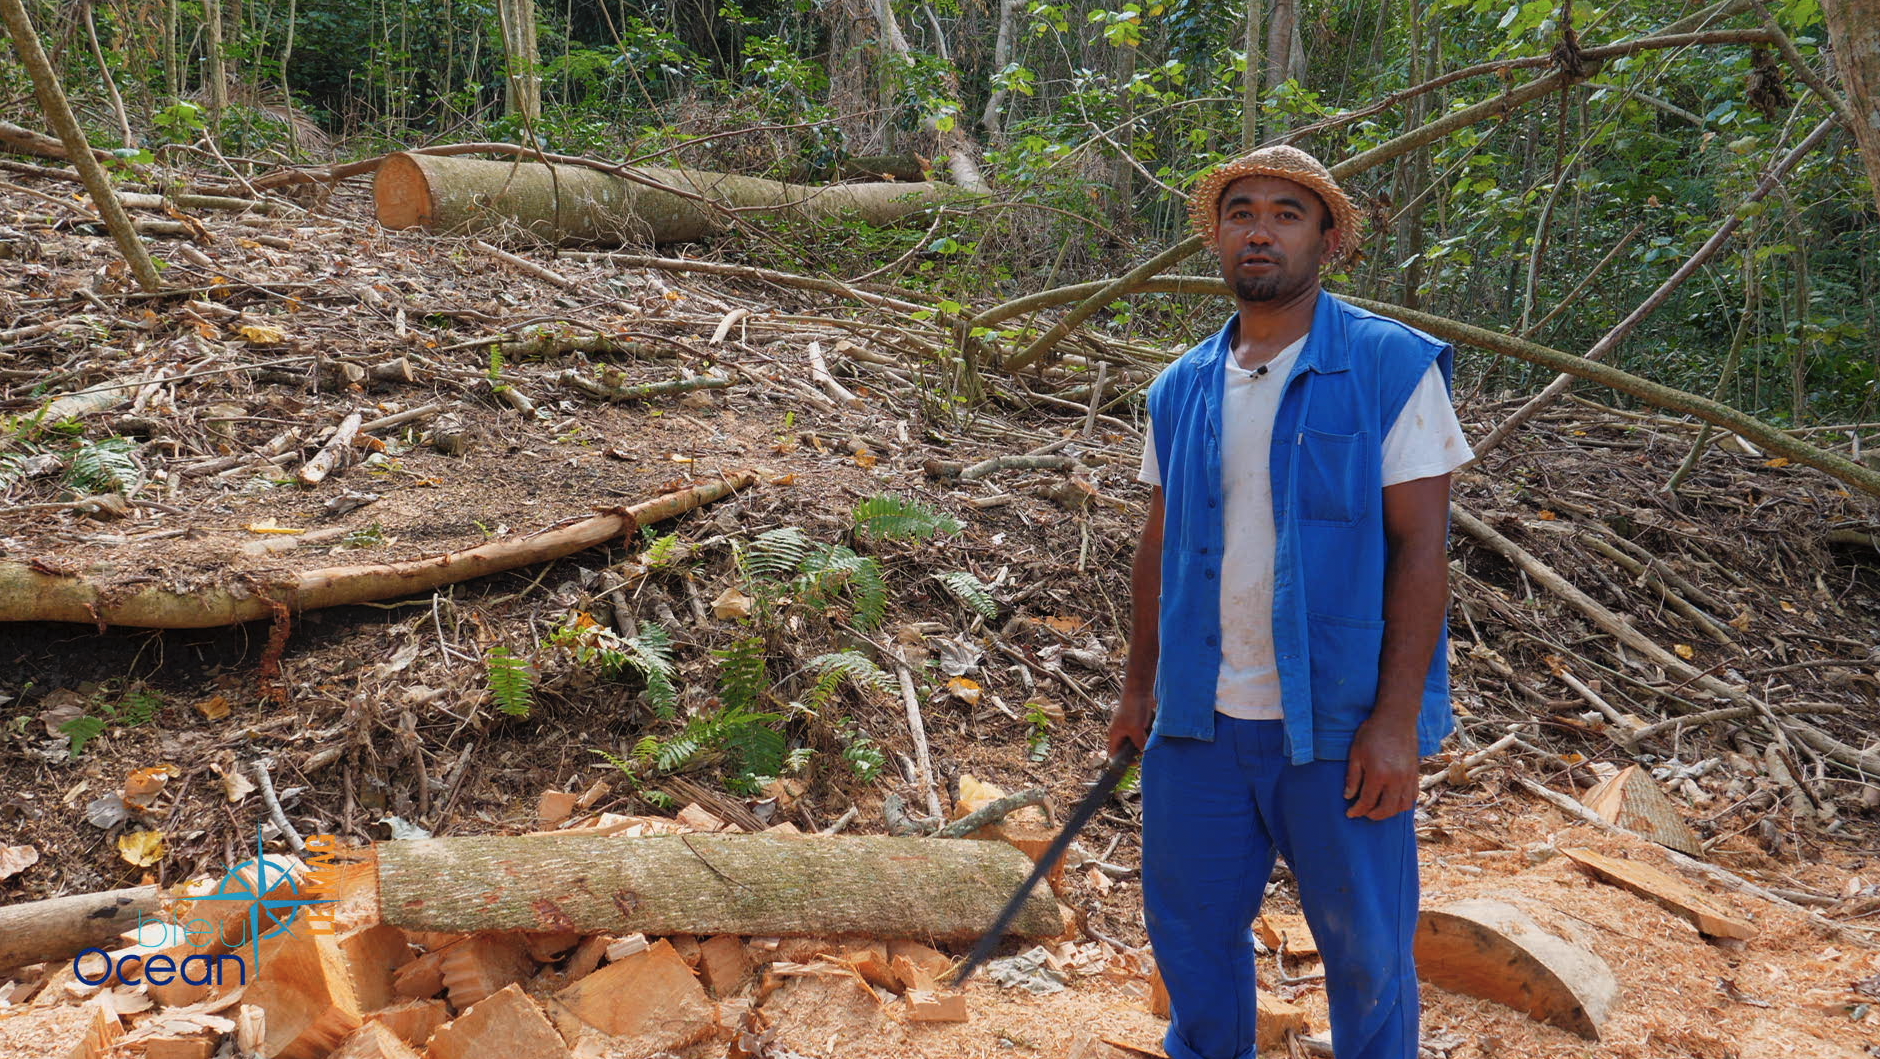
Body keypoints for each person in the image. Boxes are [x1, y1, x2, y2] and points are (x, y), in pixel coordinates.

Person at [1108, 145, 1472, 1059]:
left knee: (1367, 953)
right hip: (1200, 719)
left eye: (1285, 212)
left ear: (1328, 237)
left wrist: (1396, 722)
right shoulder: (1179, 387)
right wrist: (1135, 688)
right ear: (1218, 236)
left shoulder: (1390, 367)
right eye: (1241, 212)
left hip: (1338, 724)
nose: (1259, 229)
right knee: (1189, 938)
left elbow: (1420, 549)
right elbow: (1158, 544)